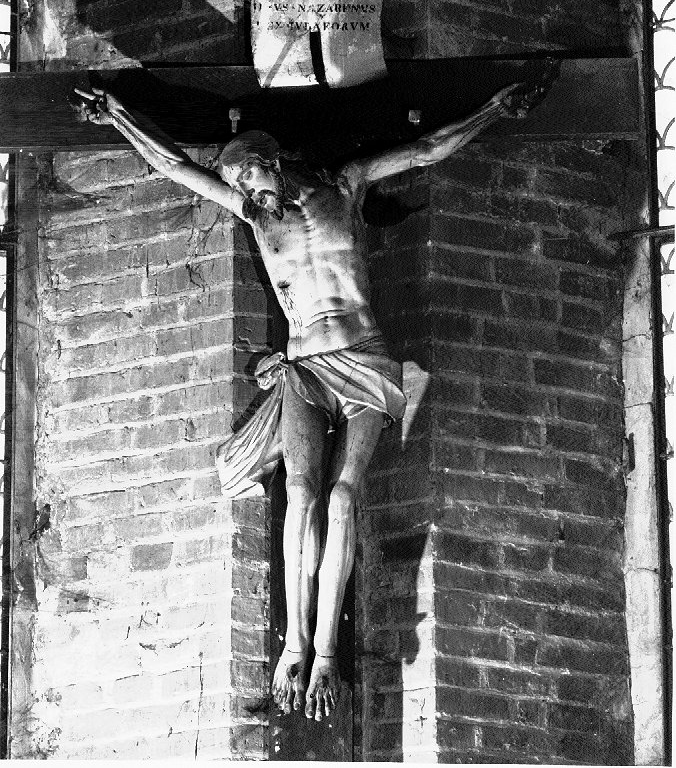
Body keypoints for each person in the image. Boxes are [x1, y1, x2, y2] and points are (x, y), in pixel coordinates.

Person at [75, 70, 550, 722]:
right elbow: (174, 166)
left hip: (363, 359)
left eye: (248, 179)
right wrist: (118, 116)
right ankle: (295, 643)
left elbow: (426, 149)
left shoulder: (346, 185)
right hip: (303, 366)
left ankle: (326, 651)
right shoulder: (252, 211)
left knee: (343, 495)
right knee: (300, 496)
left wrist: (493, 107)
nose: (243, 193)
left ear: (271, 162)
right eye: (237, 185)